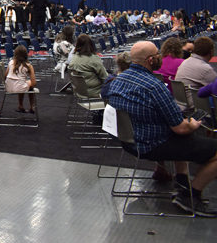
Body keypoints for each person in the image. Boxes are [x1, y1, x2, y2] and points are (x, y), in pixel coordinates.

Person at [103, 41, 217, 217]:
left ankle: (181, 182)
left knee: (183, 138)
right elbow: (180, 128)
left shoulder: (117, 80)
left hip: (128, 141)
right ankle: (189, 196)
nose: (160, 57)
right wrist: (193, 125)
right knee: (192, 137)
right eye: (157, 54)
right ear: (151, 60)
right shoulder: (154, 86)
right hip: (152, 144)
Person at [175, 37, 217, 108]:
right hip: (197, 107)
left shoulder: (185, 62)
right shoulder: (206, 69)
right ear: (211, 52)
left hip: (181, 104)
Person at [68, 34, 108, 99]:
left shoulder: (73, 58)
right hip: (95, 92)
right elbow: (105, 78)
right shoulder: (93, 59)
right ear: (91, 44)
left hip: (79, 92)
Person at [5, 45, 37, 113]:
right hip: (20, 87)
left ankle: (20, 105)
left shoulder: (10, 62)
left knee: (22, 83)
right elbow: (34, 83)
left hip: (8, 87)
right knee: (28, 84)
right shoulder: (28, 65)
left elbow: (5, 76)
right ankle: (32, 107)